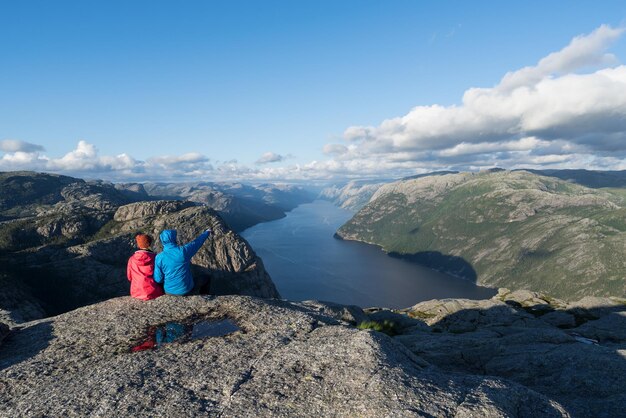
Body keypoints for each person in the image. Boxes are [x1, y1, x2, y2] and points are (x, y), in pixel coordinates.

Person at [154, 229, 211, 296]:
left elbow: (158, 279)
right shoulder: (183, 252)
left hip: (169, 291)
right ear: (174, 238)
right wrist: (207, 232)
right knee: (206, 278)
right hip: (186, 290)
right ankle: (204, 297)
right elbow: (197, 243)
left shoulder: (159, 257)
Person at [127, 233, 164, 301]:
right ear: (149, 243)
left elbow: (129, 277)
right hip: (154, 291)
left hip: (136, 292)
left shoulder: (132, 259)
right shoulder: (155, 258)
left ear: (138, 244)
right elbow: (160, 276)